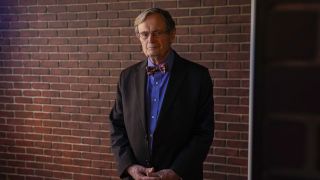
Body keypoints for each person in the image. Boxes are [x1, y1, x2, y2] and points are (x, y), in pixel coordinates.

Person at [109, 8, 214, 180]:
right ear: (139, 38)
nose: (151, 40)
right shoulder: (126, 77)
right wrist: (129, 166)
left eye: (157, 32)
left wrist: (176, 171)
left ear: (172, 34)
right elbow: (117, 126)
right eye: (144, 34)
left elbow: (203, 132)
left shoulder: (198, 77)